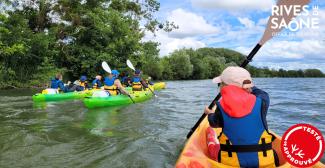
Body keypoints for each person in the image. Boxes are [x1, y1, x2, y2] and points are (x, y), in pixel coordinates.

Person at [204, 66, 277, 167]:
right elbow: (262, 93)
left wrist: (209, 113)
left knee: (217, 148)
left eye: (220, 84)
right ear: (248, 86)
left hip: (232, 164)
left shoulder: (221, 107)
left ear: (225, 86)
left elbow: (213, 123)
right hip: (264, 163)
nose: (219, 86)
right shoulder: (262, 101)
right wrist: (247, 86)